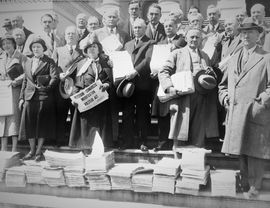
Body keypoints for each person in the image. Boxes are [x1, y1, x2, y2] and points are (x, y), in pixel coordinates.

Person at [218, 18, 270, 198]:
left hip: (255, 110)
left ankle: (255, 186)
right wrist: (224, 98)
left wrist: (261, 101)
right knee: (240, 150)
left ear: (258, 35)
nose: (246, 35)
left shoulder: (266, 57)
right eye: (243, 32)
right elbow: (222, 85)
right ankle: (245, 183)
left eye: (250, 32)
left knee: (254, 150)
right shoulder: (233, 59)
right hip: (235, 111)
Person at [159, 27, 219, 152]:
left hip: (201, 96)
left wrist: (209, 72)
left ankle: (195, 163)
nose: (194, 39)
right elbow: (163, 71)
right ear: (186, 38)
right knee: (181, 128)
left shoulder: (205, 55)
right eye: (191, 37)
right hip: (182, 96)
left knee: (198, 129)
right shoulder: (177, 53)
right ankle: (179, 160)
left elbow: (210, 74)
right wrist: (169, 88)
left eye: (197, 37)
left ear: (201, 40)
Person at [91, 9, 130, 144]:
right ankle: (98, 140)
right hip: (101, 74)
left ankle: (112, 138)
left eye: (114, 17)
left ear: (118, 19)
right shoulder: (96, 33)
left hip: (117, 74)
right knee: (100, 107)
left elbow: (127, 52)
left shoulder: (124, 34)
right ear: (104, 19)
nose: (112, 19)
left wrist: (119, 61)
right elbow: (91, 50)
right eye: (109, 17)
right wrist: (104, 58)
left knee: (114, 108)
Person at [69, 37, 113, 153]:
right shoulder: (81, 64)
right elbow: (76, 85)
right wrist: (74, 97)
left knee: (100, 131)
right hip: (86, 103)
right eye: (89, 48)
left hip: (101, 102)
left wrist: (106, 85)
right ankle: (86, 153)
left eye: (94, 47)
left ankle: (100, 154)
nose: (92, 49)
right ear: (86, 51)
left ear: (99, 50)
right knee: (86, 131)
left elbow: (110, 80)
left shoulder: (105, 63)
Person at [19, 37, 59, 161]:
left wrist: (46, 88)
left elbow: (55, 77)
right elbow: (25, 81)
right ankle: (31, 150)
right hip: (29, 97)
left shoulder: (49, 61)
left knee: (41, 124)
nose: (36, 49)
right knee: (29, 124)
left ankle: (38, 151)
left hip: (43, 97)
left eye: (38, 47)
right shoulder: (27, 62)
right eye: (34, 47)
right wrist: (21, 98)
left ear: (43, 49)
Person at [151, 17, 186, 151]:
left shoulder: (182, 41)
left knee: (176, 111)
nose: (168, 28)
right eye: (166, 26)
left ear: (177, 27)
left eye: (171, 26)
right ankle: (163, 142)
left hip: (177, 80)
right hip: (162, 81)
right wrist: (154, 71)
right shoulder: (161, 42)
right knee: (163, 113)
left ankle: (176, 142)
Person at [121, 18, 154, 151]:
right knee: (127, 113)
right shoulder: (128, 44)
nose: (137, 30)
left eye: (139, 27)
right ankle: (127, 141)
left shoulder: (151, 42)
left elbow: (148, 60)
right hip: (128, 84)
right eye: (135, 27)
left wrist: (135, 71)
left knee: (142, 113)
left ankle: (143, 141)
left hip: (142, 84)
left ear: (145, 28)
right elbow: (123, 60)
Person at [52, 26, 82, 146]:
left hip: (75, 87)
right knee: (61, 113)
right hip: (62, 87)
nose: (70, 35)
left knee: (75, 114)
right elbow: (53, 66)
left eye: (73, 34)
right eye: (68, 33)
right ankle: (59, 140)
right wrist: (59, 75)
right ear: (64, 36)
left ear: (78, 37)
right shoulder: (58, 50)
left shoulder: (82, 51)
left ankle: (74, 141)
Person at [0, 34, 27, 152]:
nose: (6, 46)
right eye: (4, 44)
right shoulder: (0, 57)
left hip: (15, 91)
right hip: (3, 92)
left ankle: (15, 149)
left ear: (13, 44)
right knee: (2, 119)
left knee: (14, 119)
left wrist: (16, 81)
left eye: (8, 43)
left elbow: (28, 73)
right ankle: (3, 148)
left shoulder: (21, 56)